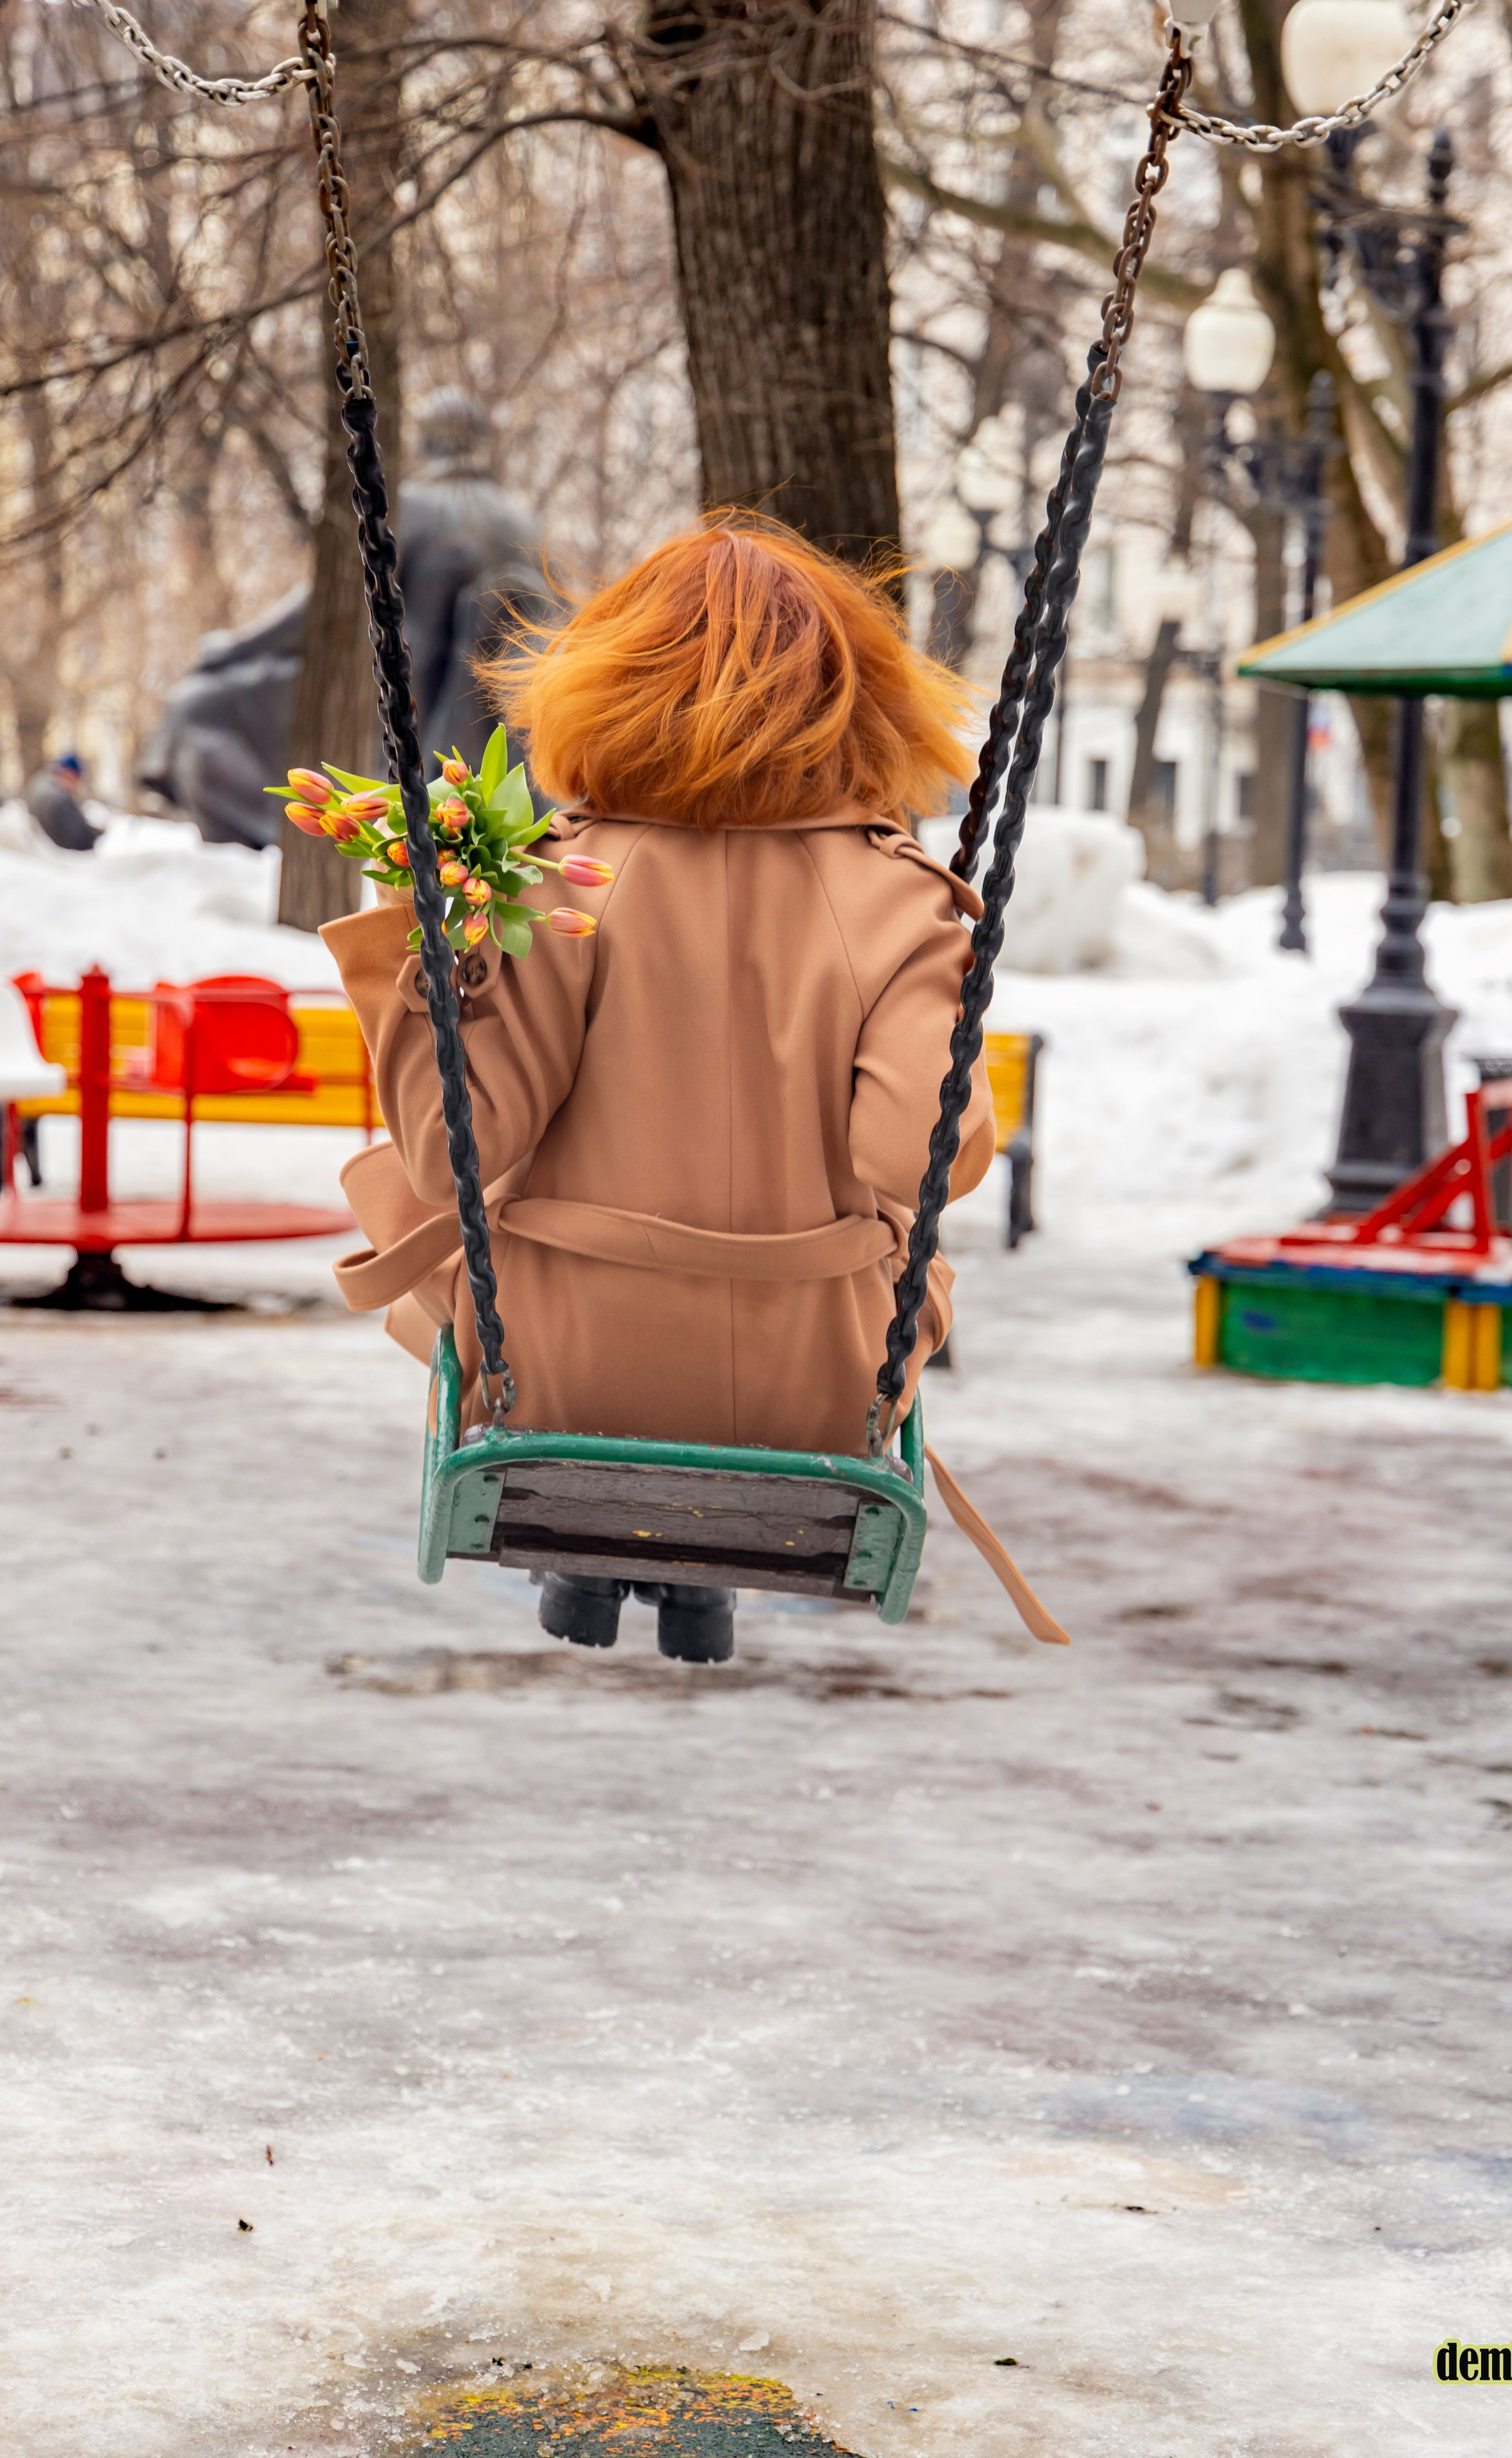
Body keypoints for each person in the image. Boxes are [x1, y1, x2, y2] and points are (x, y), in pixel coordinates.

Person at [321, 517, 995, 1664]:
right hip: (819, 1386)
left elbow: (458, 1153)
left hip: (558, 1369)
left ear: (606, 680)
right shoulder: (904, 902)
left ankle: (593, 1554)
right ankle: (698, 1580)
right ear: (857, 700)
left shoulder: (552, 883)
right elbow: (918, 1158)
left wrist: (429, 963)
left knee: (420, 1202)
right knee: (901, 1254)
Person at [136, 392, 552, 846]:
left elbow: (321, 611)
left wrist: (234, 649)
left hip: (388, 692)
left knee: (200, 703)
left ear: (428, 442)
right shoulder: (521, 519)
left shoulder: (414, 505)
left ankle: (278, 832)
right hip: (475, 710)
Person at [25, 752, 100, 852]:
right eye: (76, 778)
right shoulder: (60, 799)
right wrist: (99, 834)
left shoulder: (39, 783)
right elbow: (82, 838)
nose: (76, 785)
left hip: (40, 849)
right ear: (69, 774)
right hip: (56, 857)